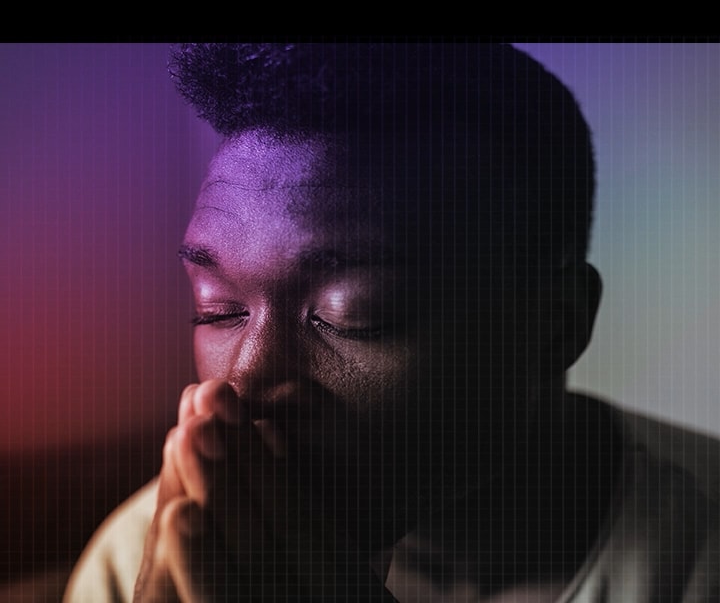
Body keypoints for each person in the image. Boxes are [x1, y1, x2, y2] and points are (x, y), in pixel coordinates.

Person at [64, 42, 719, 602]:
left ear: (556, 325)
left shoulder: (696, 554)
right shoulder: (141, 561)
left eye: (354, 317)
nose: (246, 383)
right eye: (219, 309)